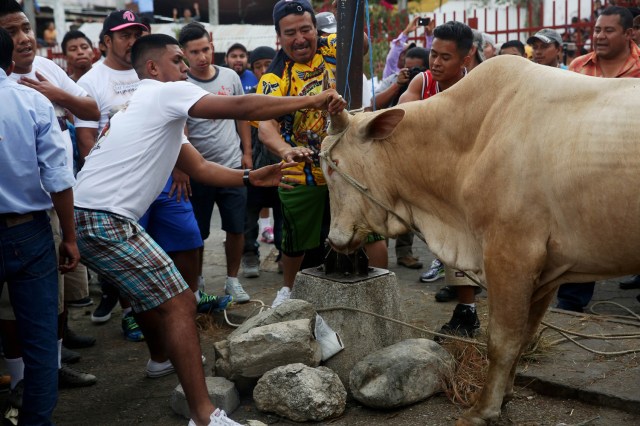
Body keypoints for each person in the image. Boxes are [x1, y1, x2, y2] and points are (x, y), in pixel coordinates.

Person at [73, 32, 344, 426]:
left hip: (92, 217)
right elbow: (239, 105)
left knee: (156, 297)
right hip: (104, 218)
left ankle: (160, 362)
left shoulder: (147, 105)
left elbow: (200, 169)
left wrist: (253, 177)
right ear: (153, 68)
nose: (187, 68)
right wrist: (312, 98)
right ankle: (205, 416)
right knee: (181, 303)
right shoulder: (163, 94)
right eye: (178, 61)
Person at [0, 0, 99, 392]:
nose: (24, 39)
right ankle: (24, 379)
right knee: (13, 305)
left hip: (56, 206)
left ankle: (52, 365)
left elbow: (91, 107)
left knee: (58, 298)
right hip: (24, 212)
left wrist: (52, 92)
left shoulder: (46, 71)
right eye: (11, 32)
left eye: (25, 28)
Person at [258, 0, 384, 308]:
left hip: (347, 165)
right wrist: (286, 150)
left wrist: (352, 23)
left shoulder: (330, 47)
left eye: (305, 29)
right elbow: (265, 126)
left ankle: (379, 289)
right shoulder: (275, 78)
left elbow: (362, 46)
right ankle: (287, 292)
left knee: (368, 232)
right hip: (302, 172)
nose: (299, 38)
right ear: (279, 36)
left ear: (316, 29)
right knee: (295, 240)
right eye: (290, 33)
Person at [0, 26, 79, 425]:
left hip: (24, 232)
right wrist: (69, 237)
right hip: (28, 231)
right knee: (41, 340)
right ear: (9, 62)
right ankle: (36, 421)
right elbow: (58, 177)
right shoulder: (30, 102)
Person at [399, 21, 482, 339]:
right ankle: (467, 305)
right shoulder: (422, 82)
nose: (435, 62)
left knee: (464, 243)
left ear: (466, 57)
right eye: (433, 54)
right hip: (429, 179)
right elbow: (403, 115)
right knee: (453, 245)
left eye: (445, 57)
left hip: (468, 180)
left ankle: (468, 308)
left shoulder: (477, 87)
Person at [558, 6, 640, 311]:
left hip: (632, 167)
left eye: (608, 30)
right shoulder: (578, 67)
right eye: (596, 30)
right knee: (577, 231)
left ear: (629, 33)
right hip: (583, 164)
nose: (599, 37)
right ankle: (571, 302)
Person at [178, 22, 252, 303]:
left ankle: (233, 281)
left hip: (233, 166)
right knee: (197, 232)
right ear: (184, 53)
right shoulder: (182, 84)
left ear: (211, 43)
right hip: (199, 171)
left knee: (236, 227)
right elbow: (179, 128)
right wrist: (182, 168)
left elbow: (242, 115)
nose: (201, 57)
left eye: (205, 49)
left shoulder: (230, 77)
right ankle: (197, 283)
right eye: (194, 52)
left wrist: (247, 153)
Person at [242, 45, 281, 279]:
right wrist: (247, 154)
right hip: (255, 160)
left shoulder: (283, 90)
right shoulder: (249, 95)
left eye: (268, 64)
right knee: (249, 212)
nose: (264, 69)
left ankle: (284, 255)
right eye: (258, 66)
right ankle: (249, 255)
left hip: (280, 160)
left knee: (283, 212)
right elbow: (244, 125)